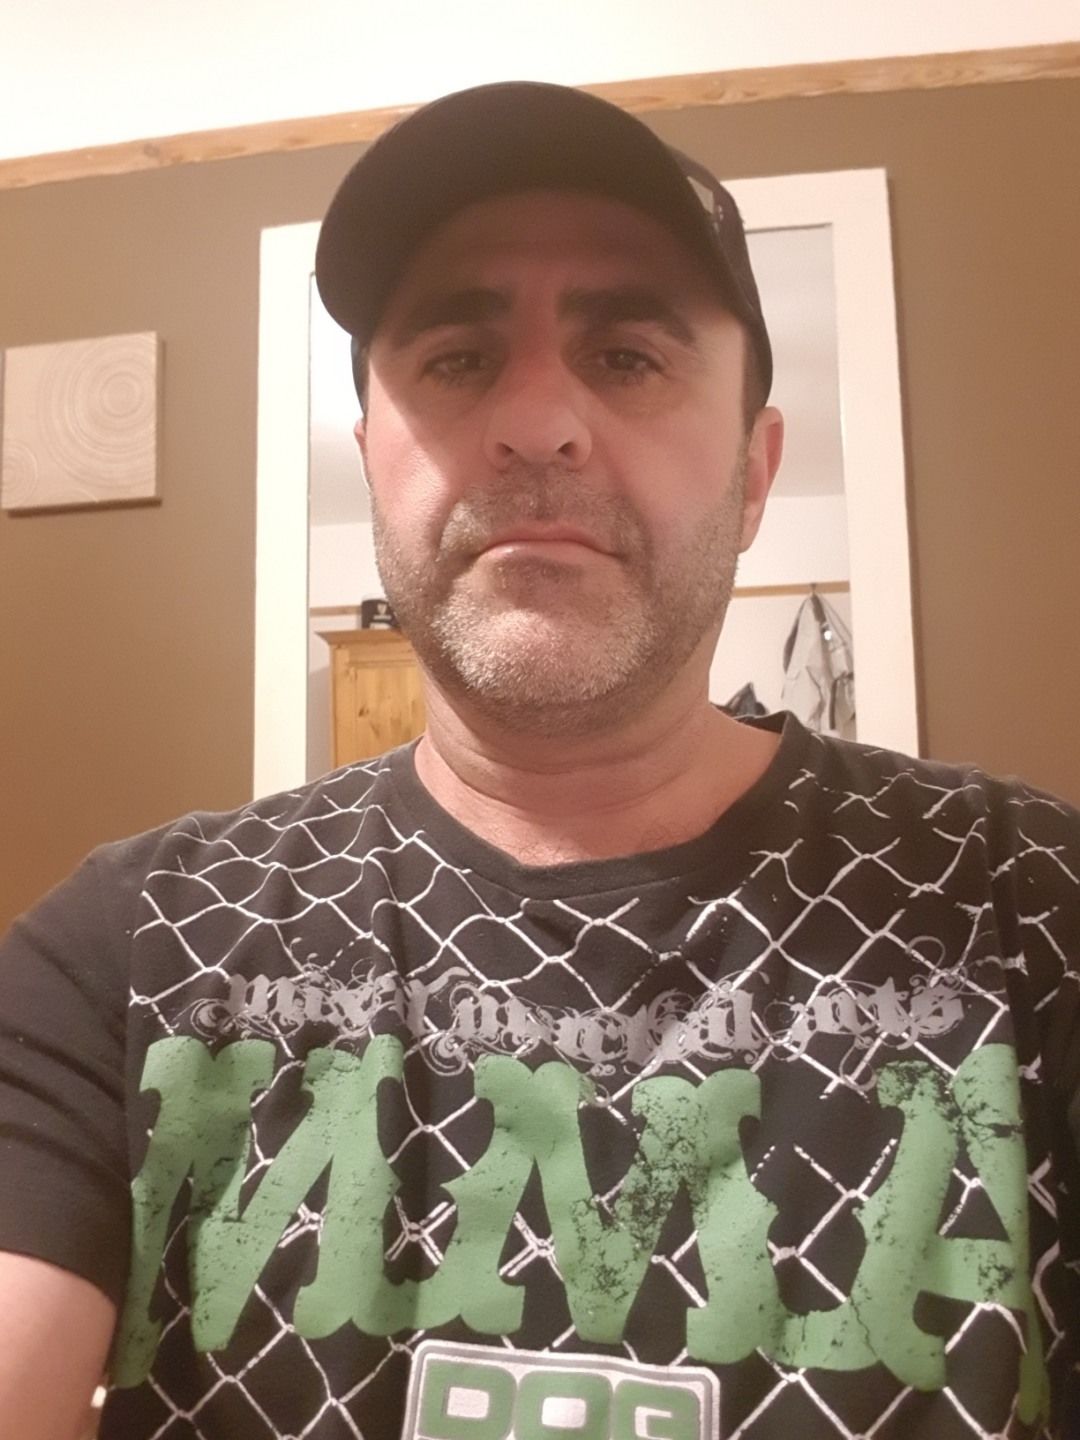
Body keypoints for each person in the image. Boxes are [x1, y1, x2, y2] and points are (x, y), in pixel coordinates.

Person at [0, 80, 1077, 1440]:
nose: (535, 422)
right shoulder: (132, 948)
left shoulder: (1031, 908)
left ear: (755, 476)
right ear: (374, 462)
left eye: (627, 356)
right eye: (458, 359)